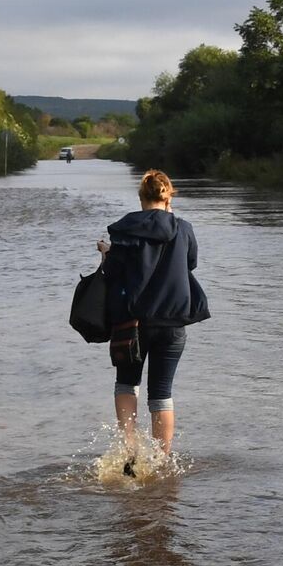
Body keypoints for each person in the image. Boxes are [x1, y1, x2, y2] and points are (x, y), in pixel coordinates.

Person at [95, 170, 210, 473]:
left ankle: (130, 452)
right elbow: (190, 263)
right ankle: (161, 461)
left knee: (126, 383)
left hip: (131, 324)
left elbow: (113, 272)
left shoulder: (126, 230)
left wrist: (107, 253)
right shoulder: (184, 229)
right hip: (173, 324)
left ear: (141, 197)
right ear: (168, 195)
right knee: (162, 393)